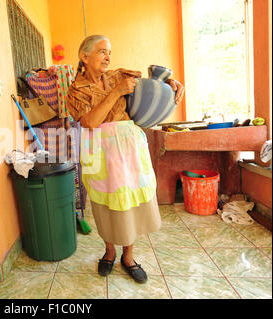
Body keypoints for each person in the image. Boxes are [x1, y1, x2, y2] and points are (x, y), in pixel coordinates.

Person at [66, 35, 184, 283]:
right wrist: (116, 92)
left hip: (128, 147)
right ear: (84, 57)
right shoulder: (74, 91)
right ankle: (109, 252)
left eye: (109, 51)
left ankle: (128, 257)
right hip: (99, 148)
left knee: (130, 202)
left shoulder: (119, 75)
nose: (108, 56)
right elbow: (90, 122)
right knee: (105, 204)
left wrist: (170, 83)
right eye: (101, 52)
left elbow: (150, 86)